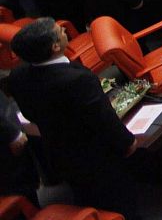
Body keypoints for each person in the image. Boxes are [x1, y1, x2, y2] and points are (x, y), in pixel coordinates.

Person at [8, 18, 142, 219]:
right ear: (54, 46)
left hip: (59, 153)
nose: (63, 30)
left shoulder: (17, 76)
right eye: (59, 31)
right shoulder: (77, 80)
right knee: (118, 200)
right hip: (97, 156)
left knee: (86, 194)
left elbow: (29, 114)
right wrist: (127, 142)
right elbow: (103, 119)